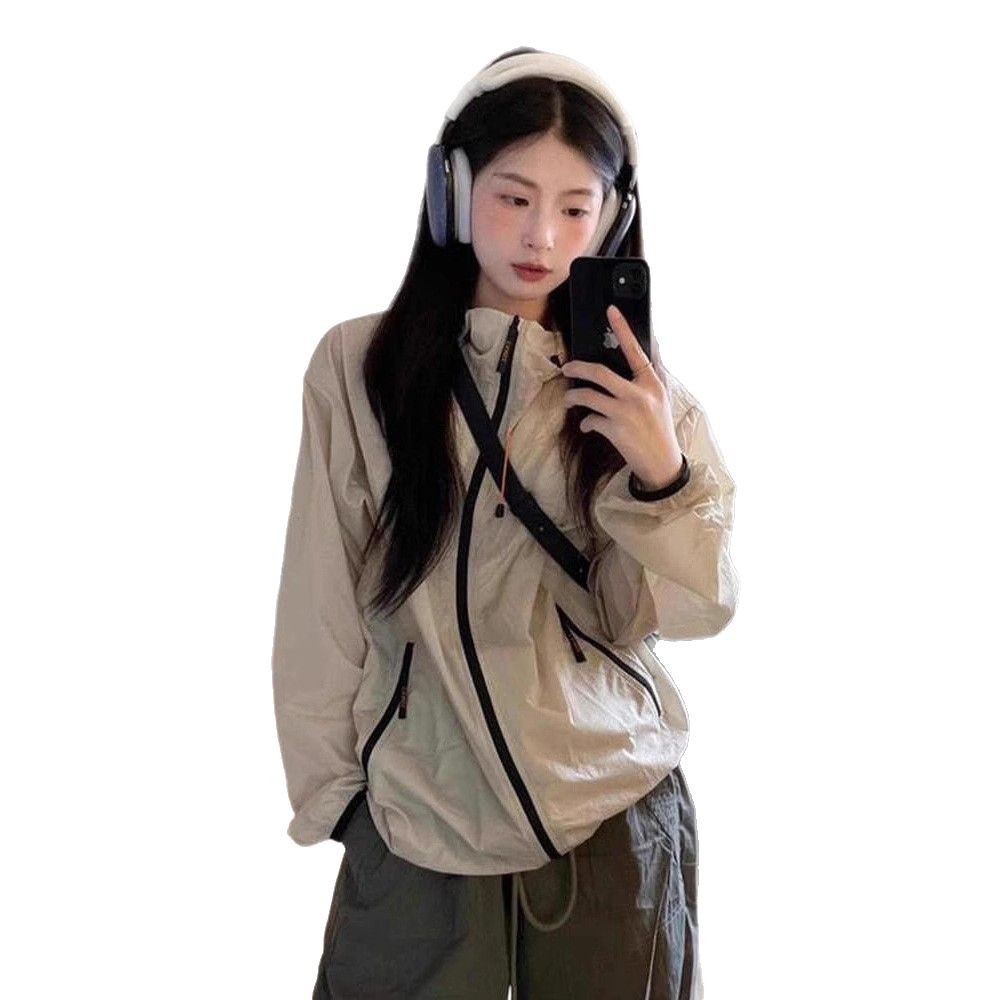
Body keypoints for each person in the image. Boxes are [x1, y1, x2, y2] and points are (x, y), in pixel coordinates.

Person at [271, 46, 739, 1000]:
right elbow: (320, 600)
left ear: (614, 218)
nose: (541, 236)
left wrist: (661, 475)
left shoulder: (651, 403)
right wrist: (339, 802)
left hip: (611, 811)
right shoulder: (359, 370)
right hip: (418, 816)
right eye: (514, 197)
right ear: (451, 191)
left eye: (575, 208)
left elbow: (689, 612)